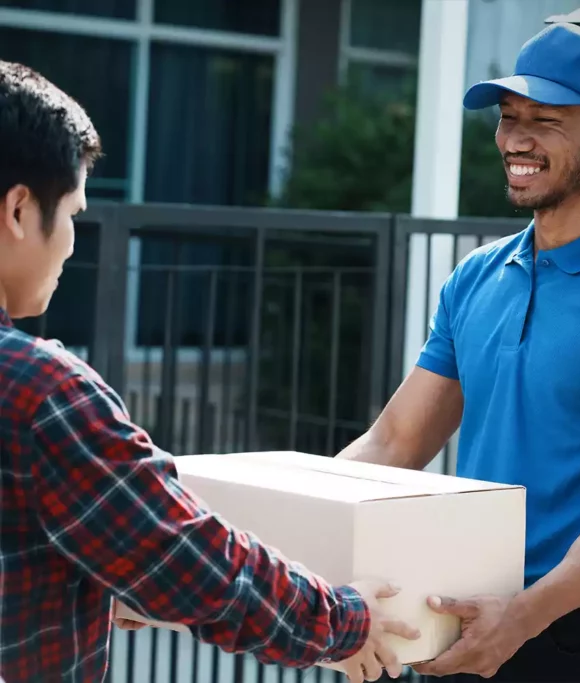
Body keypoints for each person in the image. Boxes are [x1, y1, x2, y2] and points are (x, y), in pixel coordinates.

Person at [0, 61, 417, 683]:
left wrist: (93, 590)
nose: (70, 242)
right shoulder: (40, 393)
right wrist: (344, 620)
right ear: (18, 211)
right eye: (75, 216)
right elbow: (188, 556)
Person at [336, 22, 580, 683]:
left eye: (545, 120)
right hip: (459, 619)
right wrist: (292, 558)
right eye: (509, 117)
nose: (516, 138)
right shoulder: (476, 277)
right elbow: (395, 439)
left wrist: (522, 615)